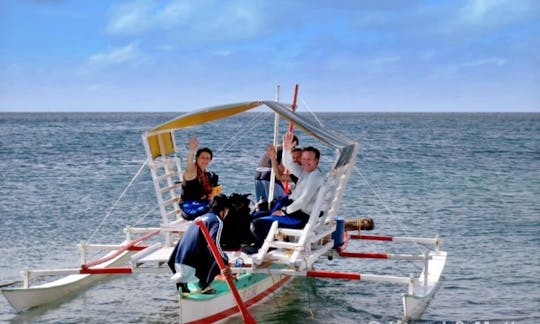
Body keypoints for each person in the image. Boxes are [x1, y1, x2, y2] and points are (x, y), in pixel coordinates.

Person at [247, 132, 324, 253]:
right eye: (303, 159)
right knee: (255, 216)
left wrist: (284, 211)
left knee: (256, 224)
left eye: (309, 159)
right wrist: (286, 150)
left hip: (300, 218)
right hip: (295, 213)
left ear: (316, 161)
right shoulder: (306, 172)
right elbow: (288, 164)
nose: (305, 162)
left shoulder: (315, 177)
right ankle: (263, 244)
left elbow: (303, 200)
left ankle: (266, 248)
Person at [168, 194, 231, 294]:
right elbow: (214, 245)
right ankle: (204, 286)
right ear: (224, 210)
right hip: (190, 265)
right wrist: (225, 263)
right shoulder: (217, 221)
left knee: (208, 250)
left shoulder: (200, 218)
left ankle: (183, 287)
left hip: (176, 262)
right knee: (221, 255)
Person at [180, 137, 220, 220]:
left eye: (207, 158)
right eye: (202, 157)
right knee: (216, 210)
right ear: (197, 158)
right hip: (190, 207)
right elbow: (189, 165)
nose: (205, 160)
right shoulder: (192, 172)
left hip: (202, 203)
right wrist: (191, 151)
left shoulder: (205, 175)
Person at [254, 135, 299, 203]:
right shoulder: (284, 151)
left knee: (262, 203)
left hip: (258, 174)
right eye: (294, 146)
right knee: (279, 201)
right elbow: (280, 171)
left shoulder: (275, 148)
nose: (293, 149)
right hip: (269, 174)